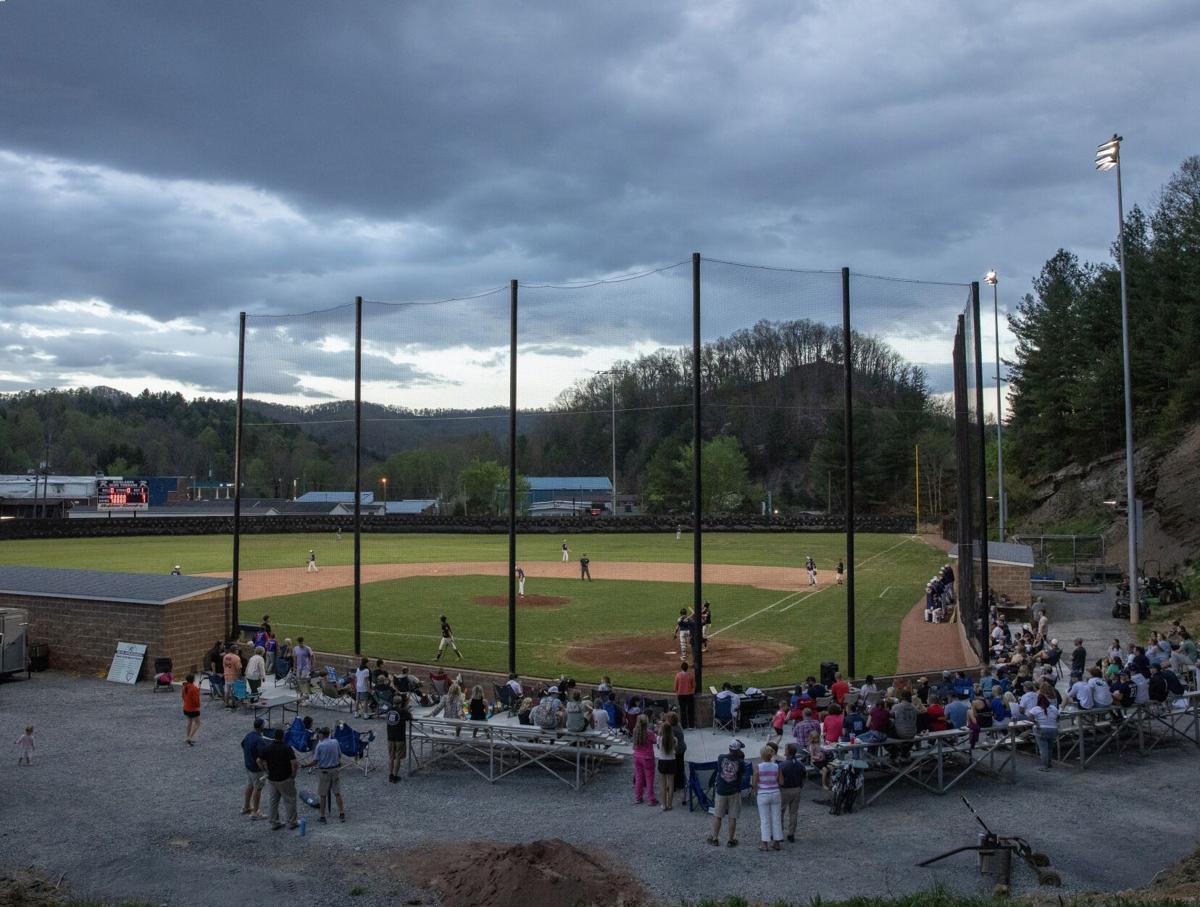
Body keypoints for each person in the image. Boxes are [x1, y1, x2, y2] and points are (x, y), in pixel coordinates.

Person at [258, 728, 299, 831]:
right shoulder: (287, 748)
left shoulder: (267, 748)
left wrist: (265, 771)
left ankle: (274, 822)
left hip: (272, 778)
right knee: (290, 800)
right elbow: (294, 763)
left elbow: (259, 760)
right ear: (283, 736)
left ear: (274, 737)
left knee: (273, 801)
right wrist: (293, 775)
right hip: (285, 778)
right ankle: (291, 822)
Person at [708, 739, 744, 847]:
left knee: (718, 815)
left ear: (729, 748)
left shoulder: (721, 758)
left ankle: (715, 838)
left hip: (721, 790)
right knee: (732, 817)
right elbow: (741, 774)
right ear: (738, 751)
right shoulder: (740, 762)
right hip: (734, 790)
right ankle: (731, 840)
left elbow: (720, 770)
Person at [312, 727, 346, 823]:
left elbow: (315, 761)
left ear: (322, 734)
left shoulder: (320, 745)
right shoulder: (335, 742)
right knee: (337, 793)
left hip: (325, 771)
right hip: (335, 770)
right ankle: (342, 813)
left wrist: (306, 765)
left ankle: (322, 816)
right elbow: (339, 755)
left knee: (323, 795)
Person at [752, 743, 783, 851]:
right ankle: (777, 842)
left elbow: (754, 783)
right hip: (775, 793)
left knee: (764, 820)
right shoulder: (776, 766)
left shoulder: (758, 767)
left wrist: (756, 791)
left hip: (763, 793)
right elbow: (781, 781)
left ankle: (764, 844)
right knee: (776, 818)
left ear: (762, 755)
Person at [240, 718, 270, 817]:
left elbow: (243, 744)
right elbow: (262, 757)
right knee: (258, 789)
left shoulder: (248, 735)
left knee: (250, 786)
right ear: (261, 727)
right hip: (257, 769)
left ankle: (246, 806)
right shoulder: (259, 740)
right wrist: (266, 770)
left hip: (248, 766)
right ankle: (255, 812)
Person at [778, 741, 805, 842]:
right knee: (793, 813)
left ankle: (779, 833)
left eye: (785, 749)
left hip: (785, 790)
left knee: (780, 812)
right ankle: (791, 833)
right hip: (797, 789)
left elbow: (780, 780)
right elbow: (804, 777)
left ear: (788, 752)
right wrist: (800, 787)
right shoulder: (800, 764)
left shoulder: (782, 765)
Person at [1026, 694, 1059, 771]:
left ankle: (1045, 766)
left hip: (1042, 729)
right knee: (1050, 748)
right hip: (1053, 729)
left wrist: (1035, 722)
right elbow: (1058, 716)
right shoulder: (1053, 708)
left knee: (1043, 749)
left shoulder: (1036, 709)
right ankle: (1049, 763)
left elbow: (1029, 716)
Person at [631, 714, 658, 805]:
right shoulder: (649, 733)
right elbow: (655, 741)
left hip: (637, 757)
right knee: (649, 779)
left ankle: (638, 797)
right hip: (647, 758)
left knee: (639, 778)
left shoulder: (635, 731)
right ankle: (651, 799)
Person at [385, 693, 412, 783]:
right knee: (397, 757)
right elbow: (410, 717)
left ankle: (390, 774)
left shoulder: (389, 710)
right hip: (399, 738)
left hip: (390, 737)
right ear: (401, 703)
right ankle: (395, 776)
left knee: (391, 757)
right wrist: (406, 709)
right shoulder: (403, 711)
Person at [654, 715, 677, 809]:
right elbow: (676, 749)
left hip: (662, 761)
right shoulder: (674, 739)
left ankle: (663, 804)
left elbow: (658, 747)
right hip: (672, 760)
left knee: (662, 784)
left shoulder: (659, 739)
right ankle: (670, 804)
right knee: (671, 784)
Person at [674, 661, 695, 729]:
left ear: (681, 668)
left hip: (681, 695)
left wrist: (678, 692)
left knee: (682, 710)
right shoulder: (691, 675)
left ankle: (684, 726)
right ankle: (691, 725)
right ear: (687, 668)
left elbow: (676, 686)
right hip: (689, 695)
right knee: (690, 710)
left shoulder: (678, 675)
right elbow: (693, 685)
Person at [181, 673, 201, 746]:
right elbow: (196, 700)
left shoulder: (184, 687)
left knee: (189, 722)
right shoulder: (194, 688)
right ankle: (190, 737)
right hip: (193, 709)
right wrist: (198, 706)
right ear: (193, 680)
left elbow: (183, 697)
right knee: (198, 723)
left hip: (186, 707)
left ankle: (187, 737)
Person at [222, 644, 242, 709]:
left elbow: (224, 665)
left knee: (227, 691)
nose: (238, 651)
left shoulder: (225, 656)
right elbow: (238, 668)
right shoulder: (237, 657)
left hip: (226, 675)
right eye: (237, 649)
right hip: (234, 676)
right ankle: (233, 704)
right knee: (234, 691)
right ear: (235, 650)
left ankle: (226, 703)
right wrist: (239, 676)